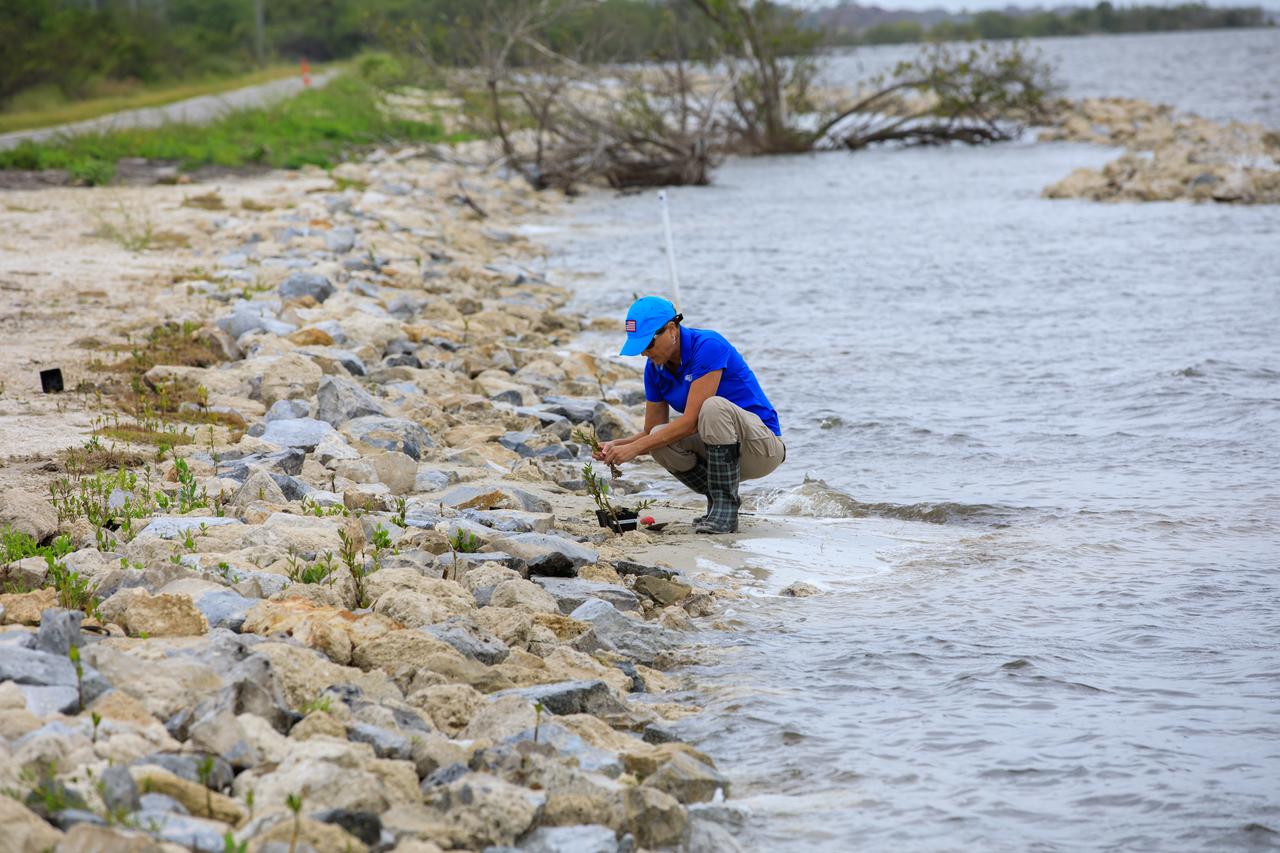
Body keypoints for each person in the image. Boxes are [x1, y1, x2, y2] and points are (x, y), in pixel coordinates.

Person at [595, 296, 784, 533]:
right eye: (639, 347)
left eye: (648, 344)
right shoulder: (654, 369)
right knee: (657, 436)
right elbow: (649, 432)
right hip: (721, 455)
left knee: (712, 407)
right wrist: (615, 446)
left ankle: (726, 507)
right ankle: (719, 506)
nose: (644, 353)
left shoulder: (708, 346)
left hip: (761, 449)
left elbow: (691, 421)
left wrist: (633, 450)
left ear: (671, 329)